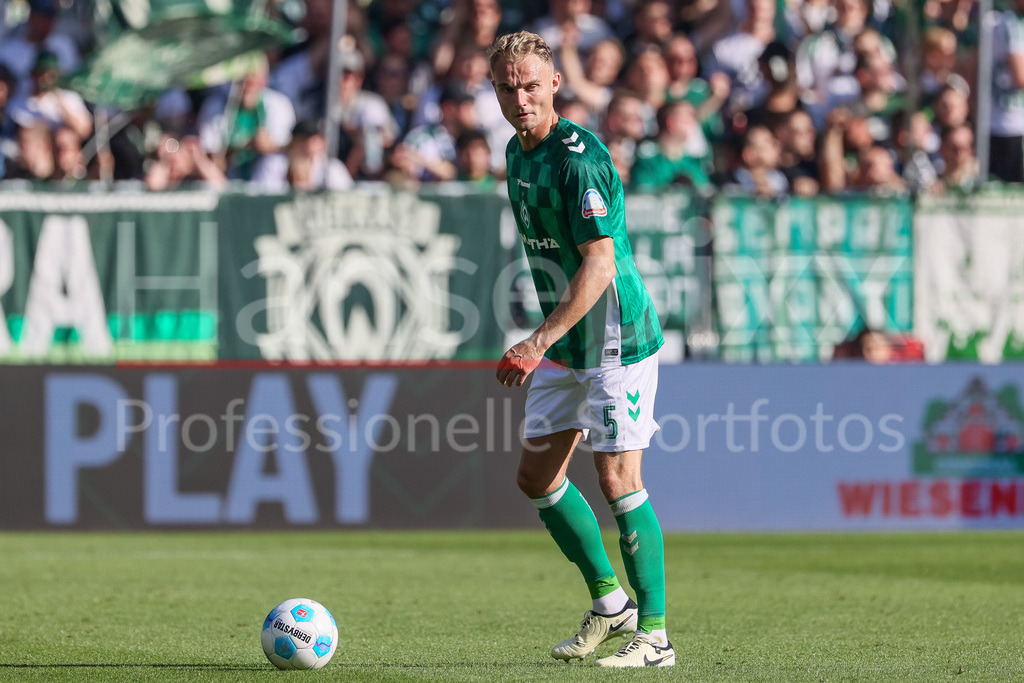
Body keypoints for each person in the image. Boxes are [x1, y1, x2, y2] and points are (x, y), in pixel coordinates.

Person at [488, 30, 672, 668]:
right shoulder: (516, 151)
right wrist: (552, 339)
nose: (521, 99)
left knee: (618, 477)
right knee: (536, 477)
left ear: (555, 83)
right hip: (568, 342)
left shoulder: (579, 158)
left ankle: (655, 637)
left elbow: (598, 267)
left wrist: (538, 340)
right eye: (508, 88)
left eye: (531, 85)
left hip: (615, 335)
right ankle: (610, 604)